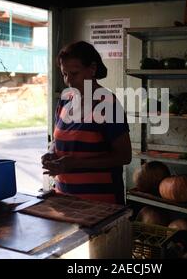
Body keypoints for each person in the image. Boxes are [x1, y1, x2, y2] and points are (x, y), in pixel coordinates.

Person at [41, 41, 132, 205]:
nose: (69, 81)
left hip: (101, 203)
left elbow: (124, 156)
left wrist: (75, 164)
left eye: (74, 73)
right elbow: (57, 139)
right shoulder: (65, 100)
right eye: (64, 74)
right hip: (64, 198)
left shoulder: (108, 104)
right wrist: (52, 152)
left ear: (92, 69)